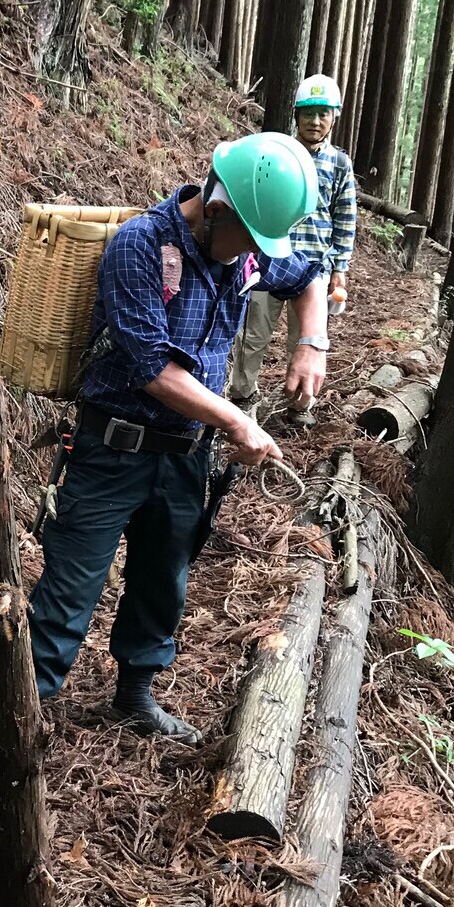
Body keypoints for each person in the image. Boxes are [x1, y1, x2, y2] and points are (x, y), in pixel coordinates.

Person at [28, 131, 329, 745]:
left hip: (186, 455)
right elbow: (154, 370)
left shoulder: (247, 252)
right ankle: (24, 707)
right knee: (70, 586)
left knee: (164, 578)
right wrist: (237, 420)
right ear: (216, 208)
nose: (255, 257)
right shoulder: (139, 246)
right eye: (248, 242)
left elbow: (308, 276)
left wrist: (310, 344)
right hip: (112, 449)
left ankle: (136, 693)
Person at [229, 74, 357, 424]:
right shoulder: (277, 152)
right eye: (307, 113)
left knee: (305, 338)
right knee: (252, 333)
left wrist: (339, 267)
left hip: (313, 268)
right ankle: (242, 396)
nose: (315, 121)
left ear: (335, 117)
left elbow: (345, 218)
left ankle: (300, 405)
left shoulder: (340, 164)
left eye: (323, 114)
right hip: (268, 261)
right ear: (295, 114)